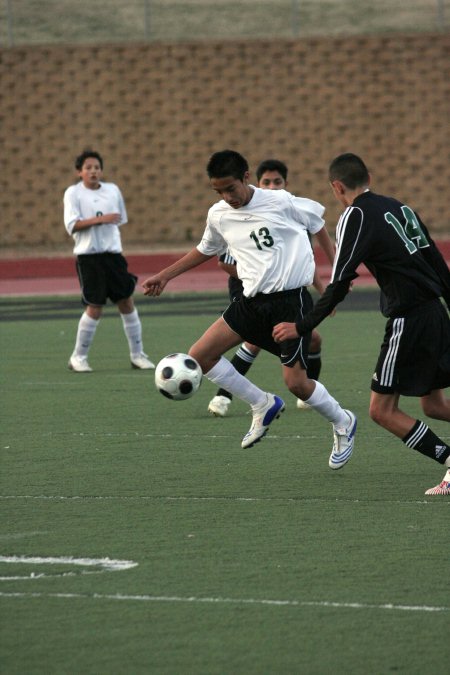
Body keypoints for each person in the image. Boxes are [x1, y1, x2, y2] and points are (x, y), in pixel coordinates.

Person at [143, 150, 357, 470]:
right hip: (250, 301)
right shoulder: (218, 214)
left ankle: (343, 422)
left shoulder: (280, 201)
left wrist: (338, 274)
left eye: (230, 189)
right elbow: (205, 249)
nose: (227, 197)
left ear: (246, 178)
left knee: (297, 383)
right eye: (219, 192)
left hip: (289, 302)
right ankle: (262, 403)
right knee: (200, 355)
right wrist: (165, 275)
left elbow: (317, 224)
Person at [273, 152, 450, 495]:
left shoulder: (354, 214)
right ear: (368, 175)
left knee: (381, 410)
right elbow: (439, 265)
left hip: (409, 319)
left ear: (337, 187)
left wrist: (303, 325)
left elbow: (340, 281)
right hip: (435, 313)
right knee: (434, 405)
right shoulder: (401, 207)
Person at [208, 158, 329, 417]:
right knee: (254, 341)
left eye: (278, 182)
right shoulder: (240, 214)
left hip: (285, 294)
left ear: (286, 184)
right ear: (255, 182)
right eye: (267, 182)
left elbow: (304, 261)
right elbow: (224, 262)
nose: (272, 186)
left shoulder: (288, 209)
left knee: (314, 340)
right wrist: (255, 271)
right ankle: (224, 396)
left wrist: (325, 292)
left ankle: (307, 391)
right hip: (249, 291)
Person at [64, 150, 155, 372]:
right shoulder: (73, 194)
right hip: (89, 257)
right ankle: (78, 357)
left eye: (97, 167)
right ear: (79, 172)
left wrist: (106, 221)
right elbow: (72, 225)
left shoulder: (112, 190)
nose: (93, 171)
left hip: (113, 256)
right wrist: (99, 219)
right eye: (88, 168)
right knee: (95, 307)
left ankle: (137, 355)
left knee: (126, 302)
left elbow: (120, 219)